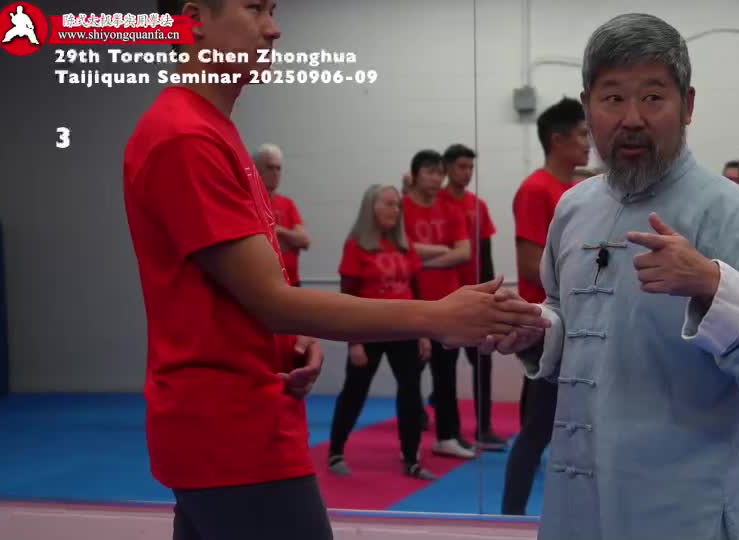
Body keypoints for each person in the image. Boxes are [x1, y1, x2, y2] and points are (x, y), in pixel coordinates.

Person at [124, 2, 549, 539]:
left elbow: (246, 297)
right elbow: (272, 300)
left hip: (242, 417)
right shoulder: (187, 137)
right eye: (254, 9)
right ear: (193, 21)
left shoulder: (212, 131)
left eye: (273, 10)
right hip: (231, 431)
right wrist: (436, 317)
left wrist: (288, 342)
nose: (273, 29)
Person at [486, 13, 739, 540]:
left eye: (653, 97)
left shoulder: (730, 211)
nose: (632, 118)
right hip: (575, 504)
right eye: (613, 98)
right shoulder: (574, 208)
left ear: (687, 105)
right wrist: (536, 330)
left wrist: (712, 285)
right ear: (588, 107)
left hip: (682, 510)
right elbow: (575, 323)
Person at [501, 97, 591, 515]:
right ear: (558, 140)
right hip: (548, 327)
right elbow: (528, 265)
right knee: (536, 431)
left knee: (569, 432)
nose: (588, 143)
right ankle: (510, 518)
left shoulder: (574, 191)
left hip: (576, 324)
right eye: (582, 135)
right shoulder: (537, 189)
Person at [327, 184, 437, 480]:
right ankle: (336, 451)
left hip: (404, 328)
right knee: (355, 390)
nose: (394, 210)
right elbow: (347, 298)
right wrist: (354, 342)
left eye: (397, 205)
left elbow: (416, 291)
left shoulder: (404, 245)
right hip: (369, 328)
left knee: (411, 392)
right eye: (388, 204)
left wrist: (424, 332)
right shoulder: (356, 246)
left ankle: (412, 459)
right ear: (371, 208)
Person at [403, 149, 476, 459]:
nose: (436, 179)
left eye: (439, 173)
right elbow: (401, 247)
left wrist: (422, 261)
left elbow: (464, 252)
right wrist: (439, 250)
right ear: (415, 175)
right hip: (410, 303)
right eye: (430, 172)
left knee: (446, 375)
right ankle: (409, 446)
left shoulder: (451, 208)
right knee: (409, 376)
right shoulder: (402, 208)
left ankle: (447, 435)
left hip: (447, 302)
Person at [438, 143, 509, 451]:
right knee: (444, 369)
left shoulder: (477, 205)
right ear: (446, 168)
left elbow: (486, 253)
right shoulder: (434, 203)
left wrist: (491, 293)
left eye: (470, 167)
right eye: (461, 167)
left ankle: (483, 427)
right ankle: (448, 430)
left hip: (475, 294)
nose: (467, 173)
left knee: (482, 363)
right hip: (443, 297)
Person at [254, 143, 310, 286]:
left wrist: (278, 230)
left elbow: (304, 240)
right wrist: (290, 240)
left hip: (292, 283)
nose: (275, 173)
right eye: (270, 167)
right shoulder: (249, 203)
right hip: (263, 285)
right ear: (256, 169)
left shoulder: (287, 204)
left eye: (278, 168)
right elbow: (259, 248)